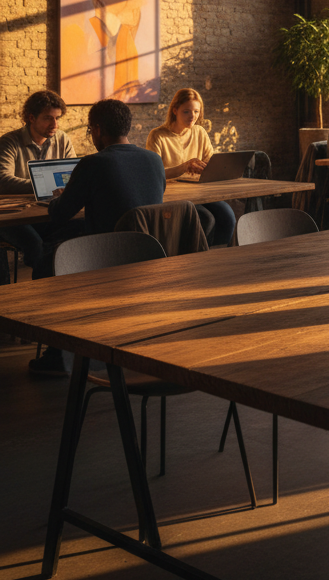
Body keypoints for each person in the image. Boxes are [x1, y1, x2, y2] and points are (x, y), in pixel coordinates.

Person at [32, 98, 165, 377]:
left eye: (91, 131)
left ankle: (58, 354)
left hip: (105, 258)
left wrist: (59, 197)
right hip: (150, 255)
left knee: (44, 264)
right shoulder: (154, 159)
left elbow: (60, 214)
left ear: (97, 129)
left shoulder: (93, 163)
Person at [0, 90, 77, 277]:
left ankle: (63, 284)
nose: (55, 125)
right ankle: (45, 290)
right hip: (14, 216)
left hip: (47, 211)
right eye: (48, 118)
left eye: (57, 118)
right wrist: (44, 186)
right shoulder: (9, 142)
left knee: (78, 231)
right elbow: (2, 180)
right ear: (31, 117)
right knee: (35, 245)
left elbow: (74, 175)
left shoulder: (62, 139)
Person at [146, 88, 236, 246]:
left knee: (227, 216)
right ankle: (199, 261)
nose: (192, 116)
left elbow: (210, 162)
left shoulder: (200, 132)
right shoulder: (157, 136)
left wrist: (213, 167)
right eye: (186, 111)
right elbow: (153, 175)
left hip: (198, 192)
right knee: (207, 219)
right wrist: (184, 167)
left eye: (196, 111)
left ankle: (219, 259)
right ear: (175, 110)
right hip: (172, 197)